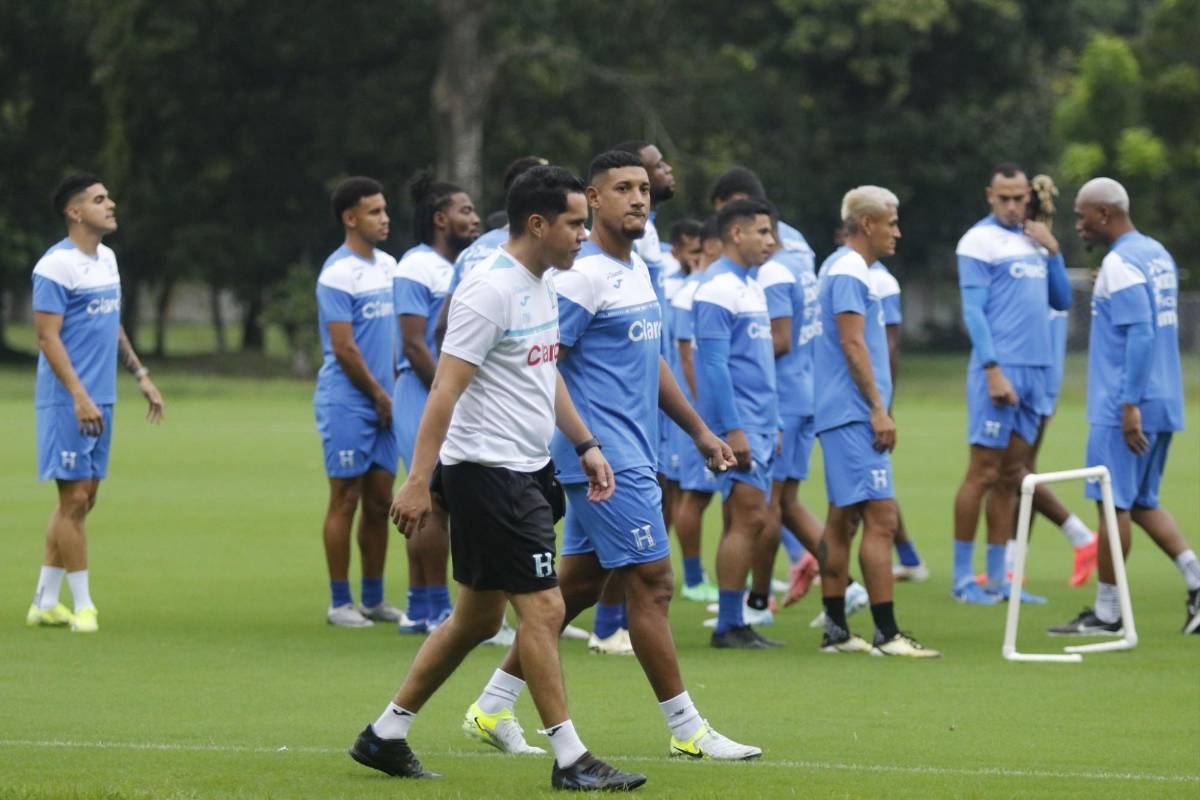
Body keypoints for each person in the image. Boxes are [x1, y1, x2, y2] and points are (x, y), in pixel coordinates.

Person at [349, 166, 645, 790]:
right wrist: (418, 480)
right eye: (573, 224)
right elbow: (444, 390)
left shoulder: (542, 282)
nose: (584, 237)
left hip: (528, 469)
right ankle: (571, 758)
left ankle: (385, 734)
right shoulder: (490, 290)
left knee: (479, 620)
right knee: (543, 607)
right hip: (489, 474)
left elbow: (546, 372)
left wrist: (584, 442)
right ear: (537, 224)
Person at [461, 151, 758, 761]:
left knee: (581, 586)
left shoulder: (639, 267)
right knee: (654, 582)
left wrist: (700, 431)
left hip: (634, 451)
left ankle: (491, 706)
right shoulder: (580, 275)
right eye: (623, 188)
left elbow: (652, 366)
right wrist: (585, 443)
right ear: (592, 200)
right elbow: (544, 362)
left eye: (644, 188)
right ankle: (688, 730)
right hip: (603, 459)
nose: (639, 198)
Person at [1050, 178, 1200, 637]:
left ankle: (1109, 614)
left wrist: (1129, 404)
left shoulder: (1120, 264)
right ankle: (1197, 581)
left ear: (1104, 214)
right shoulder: (1155, 254)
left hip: (1125, 405)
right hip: (1164, 396)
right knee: (1140, 502)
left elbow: (1140, 333)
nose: (1078, 225)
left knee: (1111, 506)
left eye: (1082, 216)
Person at [26, 173, 165, 634]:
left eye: (108, 197)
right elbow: (47, 338)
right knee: (75, 496)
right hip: (67, 399)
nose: (111, 205)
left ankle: (45, 601)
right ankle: (83, 605)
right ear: (74, 211)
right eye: (99, 200)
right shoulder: (55, 266)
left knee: (85, 500)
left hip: (101, 398)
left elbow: (113, 325)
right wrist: (79, 397)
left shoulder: (106, 260)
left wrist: (140, 375)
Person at [813, 186, 939, 657]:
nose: (897, 231)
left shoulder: (841, 267)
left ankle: (837, 632)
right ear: (867, 224)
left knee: (842, 521)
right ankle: (888, 634)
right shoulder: (849, 270)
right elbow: (852, 344)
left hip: (844, 411)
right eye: (891, 222)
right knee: (882, 518)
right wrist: (878, 408)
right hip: (852, 414)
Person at [951, 163, 1072, 605]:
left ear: (1028, 197)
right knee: (981, 473)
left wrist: (1054, 251)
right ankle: (964, 580)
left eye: (1019, 197)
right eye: (1003, 197)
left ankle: (1000, 581)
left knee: (1010, 478)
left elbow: (1061, 299)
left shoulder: (1036, 240)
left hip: (1038, 371)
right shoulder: (978, 241)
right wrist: (992, 368)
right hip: (1000, 369)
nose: (1012, 205)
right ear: (990, 195)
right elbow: (973, 311)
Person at [692, 198, 784, 649]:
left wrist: (775, 422)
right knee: (749, 519)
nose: (771, 241)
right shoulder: (717, 288)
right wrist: (733, 429)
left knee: (751, 519)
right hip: (740, 425)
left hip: (761, 422)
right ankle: (728, 624)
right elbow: (714, 365)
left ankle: (736, 619)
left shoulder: (752, 286)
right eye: (763, 232)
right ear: (736, 234)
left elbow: (757, 364)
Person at [392, 173, 480, 633]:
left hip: (445, 392)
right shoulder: (416, 266)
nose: (475, 218)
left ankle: (420, 608)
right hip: (423, 390)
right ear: (441, 218)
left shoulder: (463, 265)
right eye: (466, 211)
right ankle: (433, 607)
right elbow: (413, 343)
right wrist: (451, 389)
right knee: (427, 496)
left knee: (443, 500)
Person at [313, 177, 400, 628]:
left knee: (381, 501)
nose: (384, 219)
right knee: (344, 498)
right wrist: (379, 394)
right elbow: (344, 348)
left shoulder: (389, 265)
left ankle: (373, 598)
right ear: (351, 218)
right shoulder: (338, 272)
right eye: (374, 212)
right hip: (348, 401)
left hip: (387, 401)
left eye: (384, 210)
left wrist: (394, 392)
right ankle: (339, 602)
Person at [756, 217, 826, 617]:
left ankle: (755, 603)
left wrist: (736, 357)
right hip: (804, 391)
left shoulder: (774, 270)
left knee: (764, 508)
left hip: (780, 399)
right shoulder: (800, 254)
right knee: (785, 506)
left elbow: (779, 340)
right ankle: (844, 588)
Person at [671, 217, 722, 603]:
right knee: (694, 493)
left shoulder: (705, 287)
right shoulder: (695, 291)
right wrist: (698, 408)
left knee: (693, 492)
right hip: (694, 411)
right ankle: (692, 577)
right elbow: (687, 355)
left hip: (699, 410)